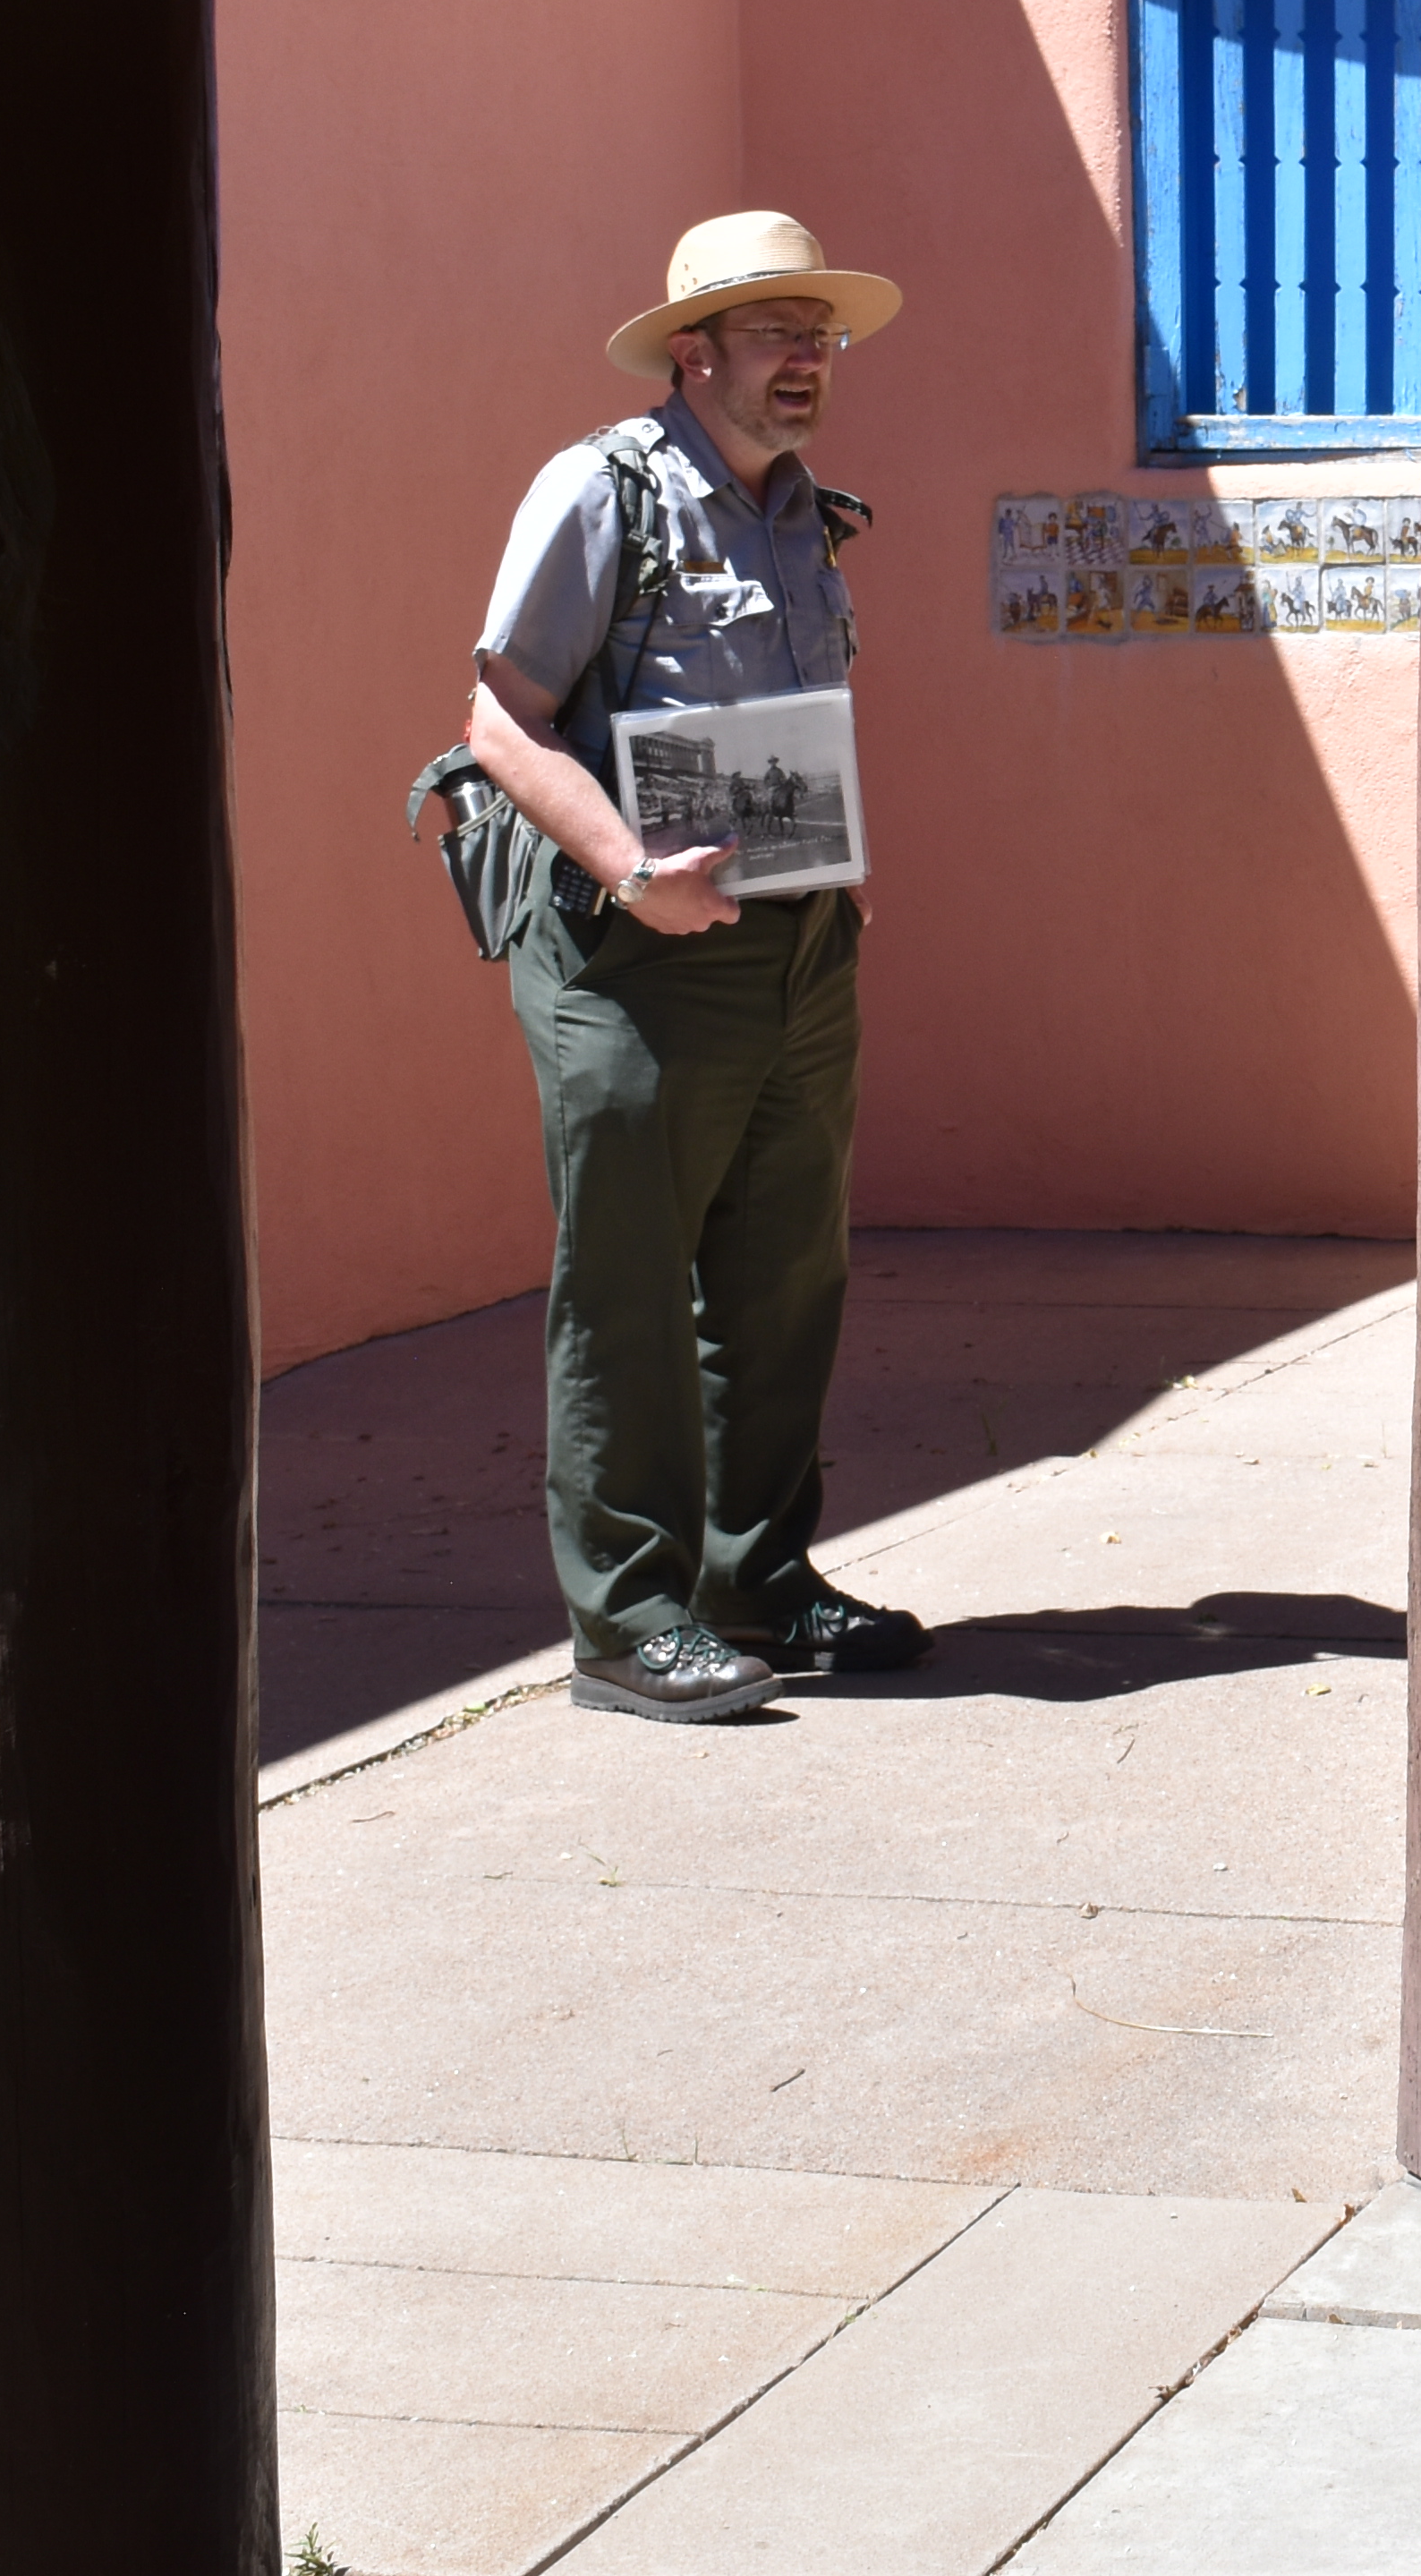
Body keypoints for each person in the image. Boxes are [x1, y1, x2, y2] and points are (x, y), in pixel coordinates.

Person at [466, 210, 934, 1726]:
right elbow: (502, 720)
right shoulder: (600, 490)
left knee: (785, 1275)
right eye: (775, 332)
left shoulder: (803, 508)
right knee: (628, 1288)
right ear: (695, 350)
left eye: (822, 335)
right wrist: (625, 870)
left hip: (798, 950)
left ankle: (760, 1580)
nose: (807, 360)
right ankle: (628, 1617)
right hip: (634, 953)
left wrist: (833, 879)